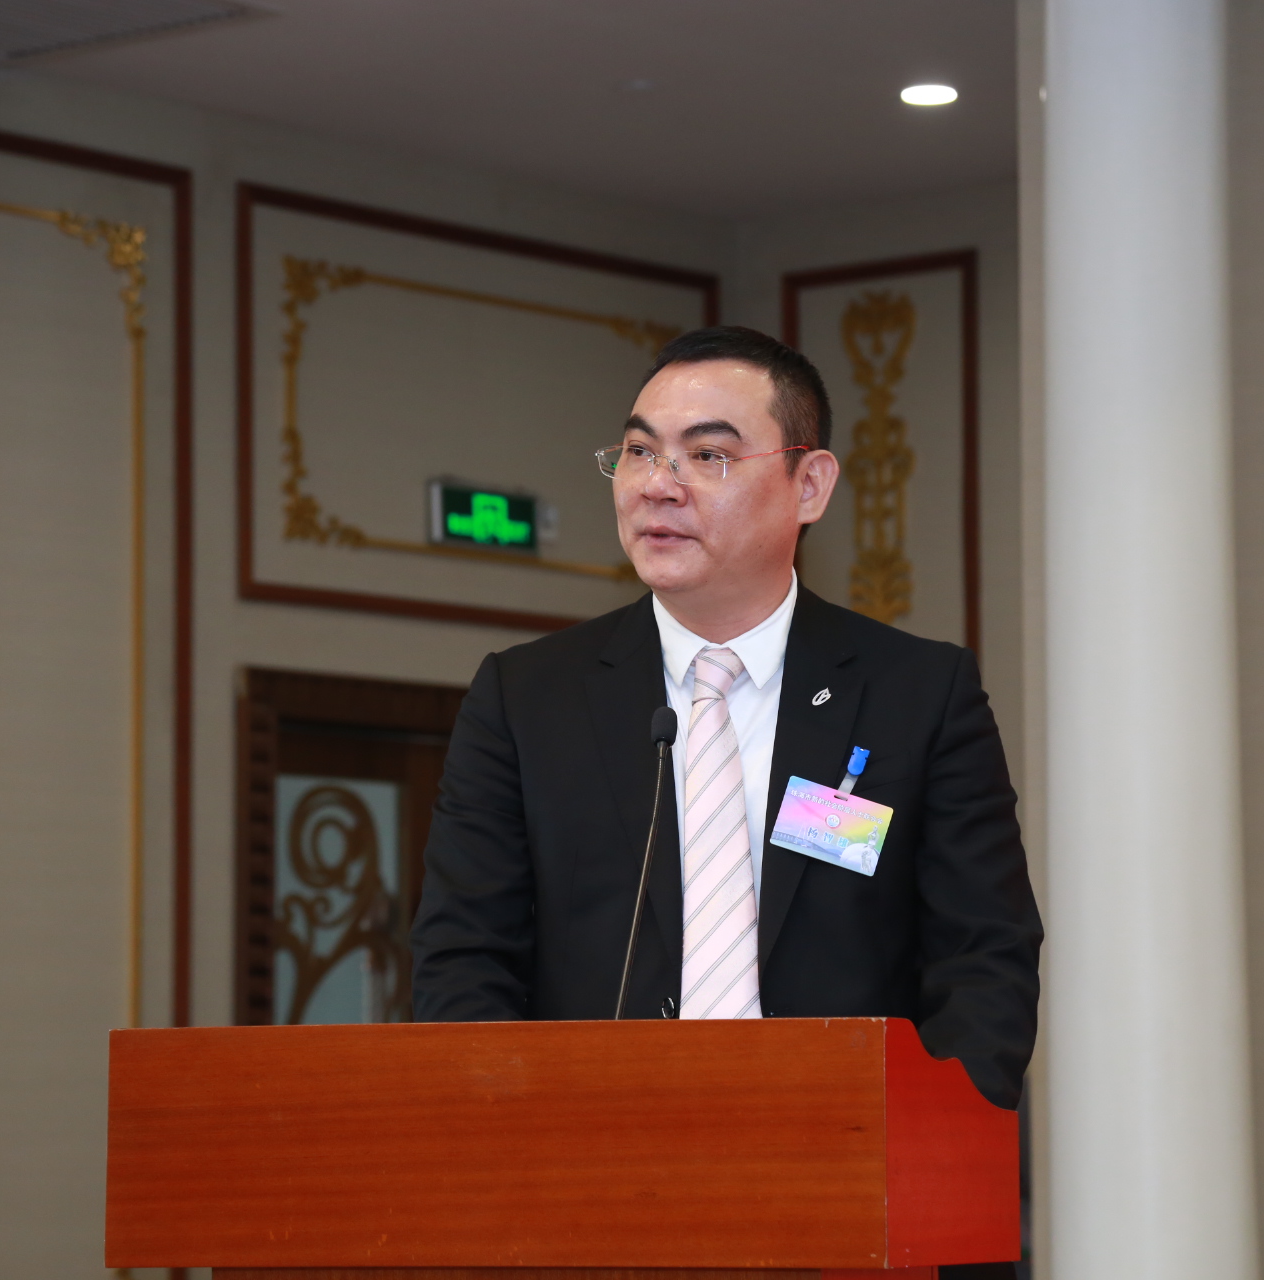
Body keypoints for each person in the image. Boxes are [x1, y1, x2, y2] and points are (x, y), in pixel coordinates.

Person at [410, 326, 1041, 1109]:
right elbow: (463, 959)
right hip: (589, 1148)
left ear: (809, 486)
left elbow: (983, 957)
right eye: (640, 452)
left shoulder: (917, 694)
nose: (658, 485)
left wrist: (930, 1140)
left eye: (707, 455)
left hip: (842, 1148)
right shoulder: (527, 698)